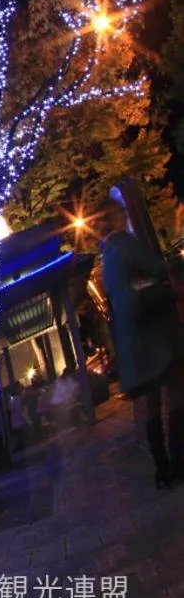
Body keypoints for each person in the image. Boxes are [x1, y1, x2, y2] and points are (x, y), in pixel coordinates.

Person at [93, 198, 184, 488]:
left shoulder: (106, 257)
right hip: (155, 333)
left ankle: (161, 466)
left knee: (152, 403)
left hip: (134, 341)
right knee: (178, 389)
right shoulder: (125, 243)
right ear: (118, 217)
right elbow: (156, 269)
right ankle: (180, 458)